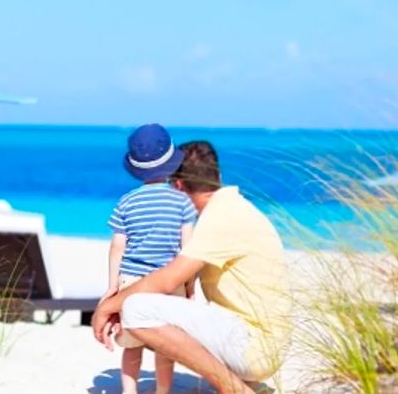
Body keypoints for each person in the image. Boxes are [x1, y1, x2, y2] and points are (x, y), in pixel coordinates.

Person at [93, 141, 292, 394]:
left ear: (177, 187)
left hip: (254, 347)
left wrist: (108, 307)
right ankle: (242, 384)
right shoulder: (232, 207)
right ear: (216, 175)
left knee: (136, 309)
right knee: (144, 306)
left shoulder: (220, 218)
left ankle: (236, 390)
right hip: (263, 343)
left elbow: (165, 281)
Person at [103, 123, 198, 394]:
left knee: (132, 343)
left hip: (132, 283)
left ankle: (129, 391)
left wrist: (112, 286)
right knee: (165, 345)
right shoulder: (183, 202)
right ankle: (162, 391)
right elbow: (187, 249)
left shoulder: (127, 202)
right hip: (170, 281)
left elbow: (117, 247)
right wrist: (190, 285)